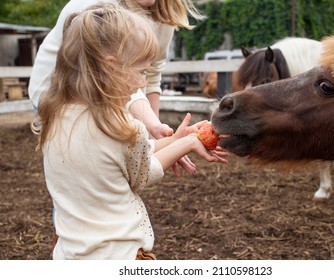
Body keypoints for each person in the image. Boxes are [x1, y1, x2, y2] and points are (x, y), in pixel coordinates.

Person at [32, 3, 228, 260]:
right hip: (121, 255)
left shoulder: (54, 119)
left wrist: (175, 138)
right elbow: (145, 171)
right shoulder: (120, 127)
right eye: (140, 72)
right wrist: (187, 143)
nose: (142, 83)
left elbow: (124, 155)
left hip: (71, 255)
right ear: (111, 67)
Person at [28, 0, 206, 177]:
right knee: (75, 173)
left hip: (112, 95)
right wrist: (178, 145)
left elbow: (150, 75)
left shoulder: (164, 16)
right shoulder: (98, 11)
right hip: (66, 93)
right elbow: (144, 171)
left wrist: (158, 133)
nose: (142, 82)